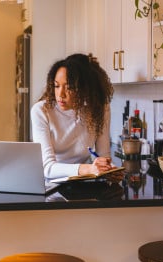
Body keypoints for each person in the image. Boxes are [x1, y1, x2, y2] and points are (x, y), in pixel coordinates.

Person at [31, 53, 123, 182]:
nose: (60, 94)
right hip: (50, 183)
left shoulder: (100, 108)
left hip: (82, 181)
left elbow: (103, 155)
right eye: (56, 86)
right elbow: (48, 168)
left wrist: (110, 169)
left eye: (69, 87)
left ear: (84, 89)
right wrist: (89, 169)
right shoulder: (41, 111)